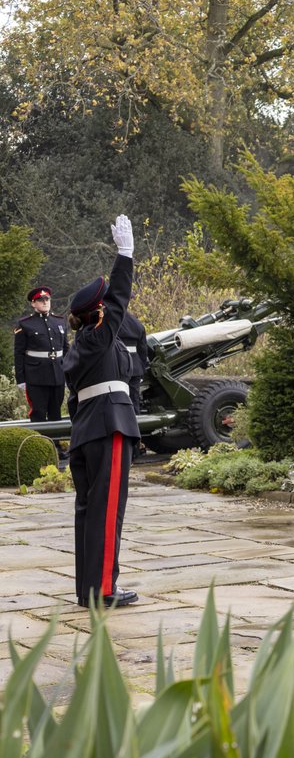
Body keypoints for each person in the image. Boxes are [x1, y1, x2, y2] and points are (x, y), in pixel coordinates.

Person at [63, 214, 141, 608]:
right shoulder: (95, 339)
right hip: (109, 427)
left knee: (88, 512)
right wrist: (124, 255)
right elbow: (118, 301)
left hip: (88, 432)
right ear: (98, 314)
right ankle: (104, 591)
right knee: (108, 512)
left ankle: (88, 590)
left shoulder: (80, 349)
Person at [13, 286, 67, 422]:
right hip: (36, 377)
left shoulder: (59, 321)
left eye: (47, 299)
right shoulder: (25, 324)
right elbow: (19, 353)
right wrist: (21, 379)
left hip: (58, 375)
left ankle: (57, 443)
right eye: (40, 299)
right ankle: (40, 443)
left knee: (56, 413)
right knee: (38, 413)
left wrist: (69, 373)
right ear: (33, 303)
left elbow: (66, 349)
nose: (44, 302)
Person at [118, 311, 149, 414]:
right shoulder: (136, 323)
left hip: (118, 366)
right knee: (134, 400)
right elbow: (143, 350)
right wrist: (142, 368)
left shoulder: (112, 322)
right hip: (135, 367)